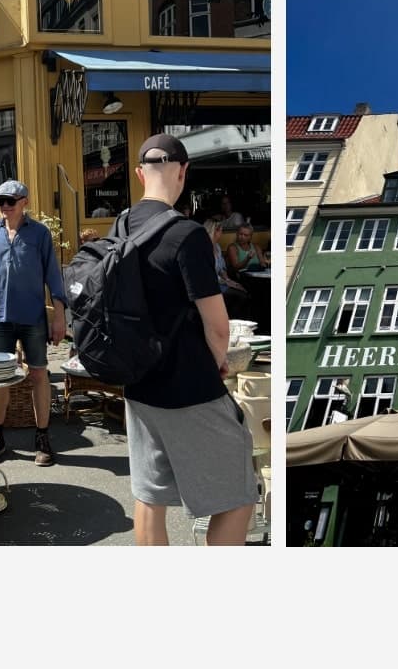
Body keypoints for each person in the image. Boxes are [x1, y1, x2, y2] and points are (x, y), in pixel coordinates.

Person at [122, 133, 257, 545]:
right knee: (238, 494)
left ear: (139, 174)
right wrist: (216, 364)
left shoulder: (122, 224)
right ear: (184, 171)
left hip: (137, 381)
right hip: (188, 386)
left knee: (149, 494)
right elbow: (218, 326)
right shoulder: (188, 235)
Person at [0, 180, 68, 467]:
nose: (3, 207)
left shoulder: (39, 233)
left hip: (32, 317)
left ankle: (42, 437)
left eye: (9, 201)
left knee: (38, 374)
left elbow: (53, 277)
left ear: (24, 201)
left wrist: (59, 316)